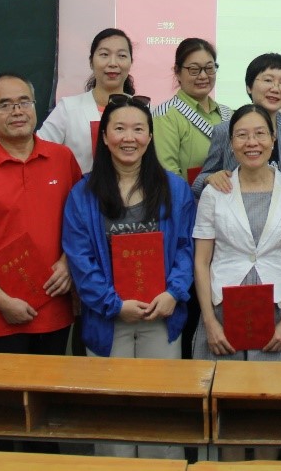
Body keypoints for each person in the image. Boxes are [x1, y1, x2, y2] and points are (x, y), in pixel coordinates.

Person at [61, 95, 195, 386]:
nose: (129, 138)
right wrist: (114, 305)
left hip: (161, 314)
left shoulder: (175, 189)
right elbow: (81, 260)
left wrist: (173, 293)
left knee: (161, 393)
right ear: (104, 136)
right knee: (111, 399)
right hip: (107, 318)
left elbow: (186, 249)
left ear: (150, 136)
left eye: (138, 129)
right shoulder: (83, 194)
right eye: (119, 129)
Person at [0, 73, 81, 356]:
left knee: (51, 382)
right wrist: (1, 301)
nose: (17, 111)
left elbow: (80, 225)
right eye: (5, 105)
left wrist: (68, 262)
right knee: (1, 385)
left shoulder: (63, 159)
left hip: (54, 305)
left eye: (24, 102)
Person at [192, 105, 281, 377]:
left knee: (272, 391)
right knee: (222, 388)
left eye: (260, 134)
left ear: (273, 139)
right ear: (231, 142)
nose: (252, 142)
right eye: (242, 135)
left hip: (275, 311)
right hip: (222, 309)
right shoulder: (213, 194)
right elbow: (201, 261)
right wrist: (209, 321)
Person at [193, 53, 281, 196]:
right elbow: (200, 182)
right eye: (268, 80)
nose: (275, 89)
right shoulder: (224, 131)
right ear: (249, 87)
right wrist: (210, 178)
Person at [40, 28, 140, 172]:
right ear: (91, 62)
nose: (113, 63)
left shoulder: (143, 108)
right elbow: (39, 152)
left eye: (122, 55)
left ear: (131, 62)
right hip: (79, 186)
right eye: (104, 54)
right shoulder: (68, 109)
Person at [152, 38, 231, 181]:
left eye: (209, 68)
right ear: (177, 72)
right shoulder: (165, 115)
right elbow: (168, 176)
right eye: (194, 70)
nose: (203, 76)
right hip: (188, 195)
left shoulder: (228, 114)